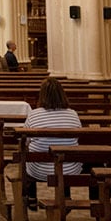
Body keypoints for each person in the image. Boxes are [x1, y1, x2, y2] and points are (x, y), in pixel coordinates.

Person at [22, 77, 82, 211]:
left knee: (26, 155)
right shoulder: (73, 114)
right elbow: (77, 138)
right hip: (70, 170)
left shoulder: (34, 115)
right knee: (63, 153)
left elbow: (26, 141)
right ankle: (66, 196)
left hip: (39, 170)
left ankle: (31, 197)